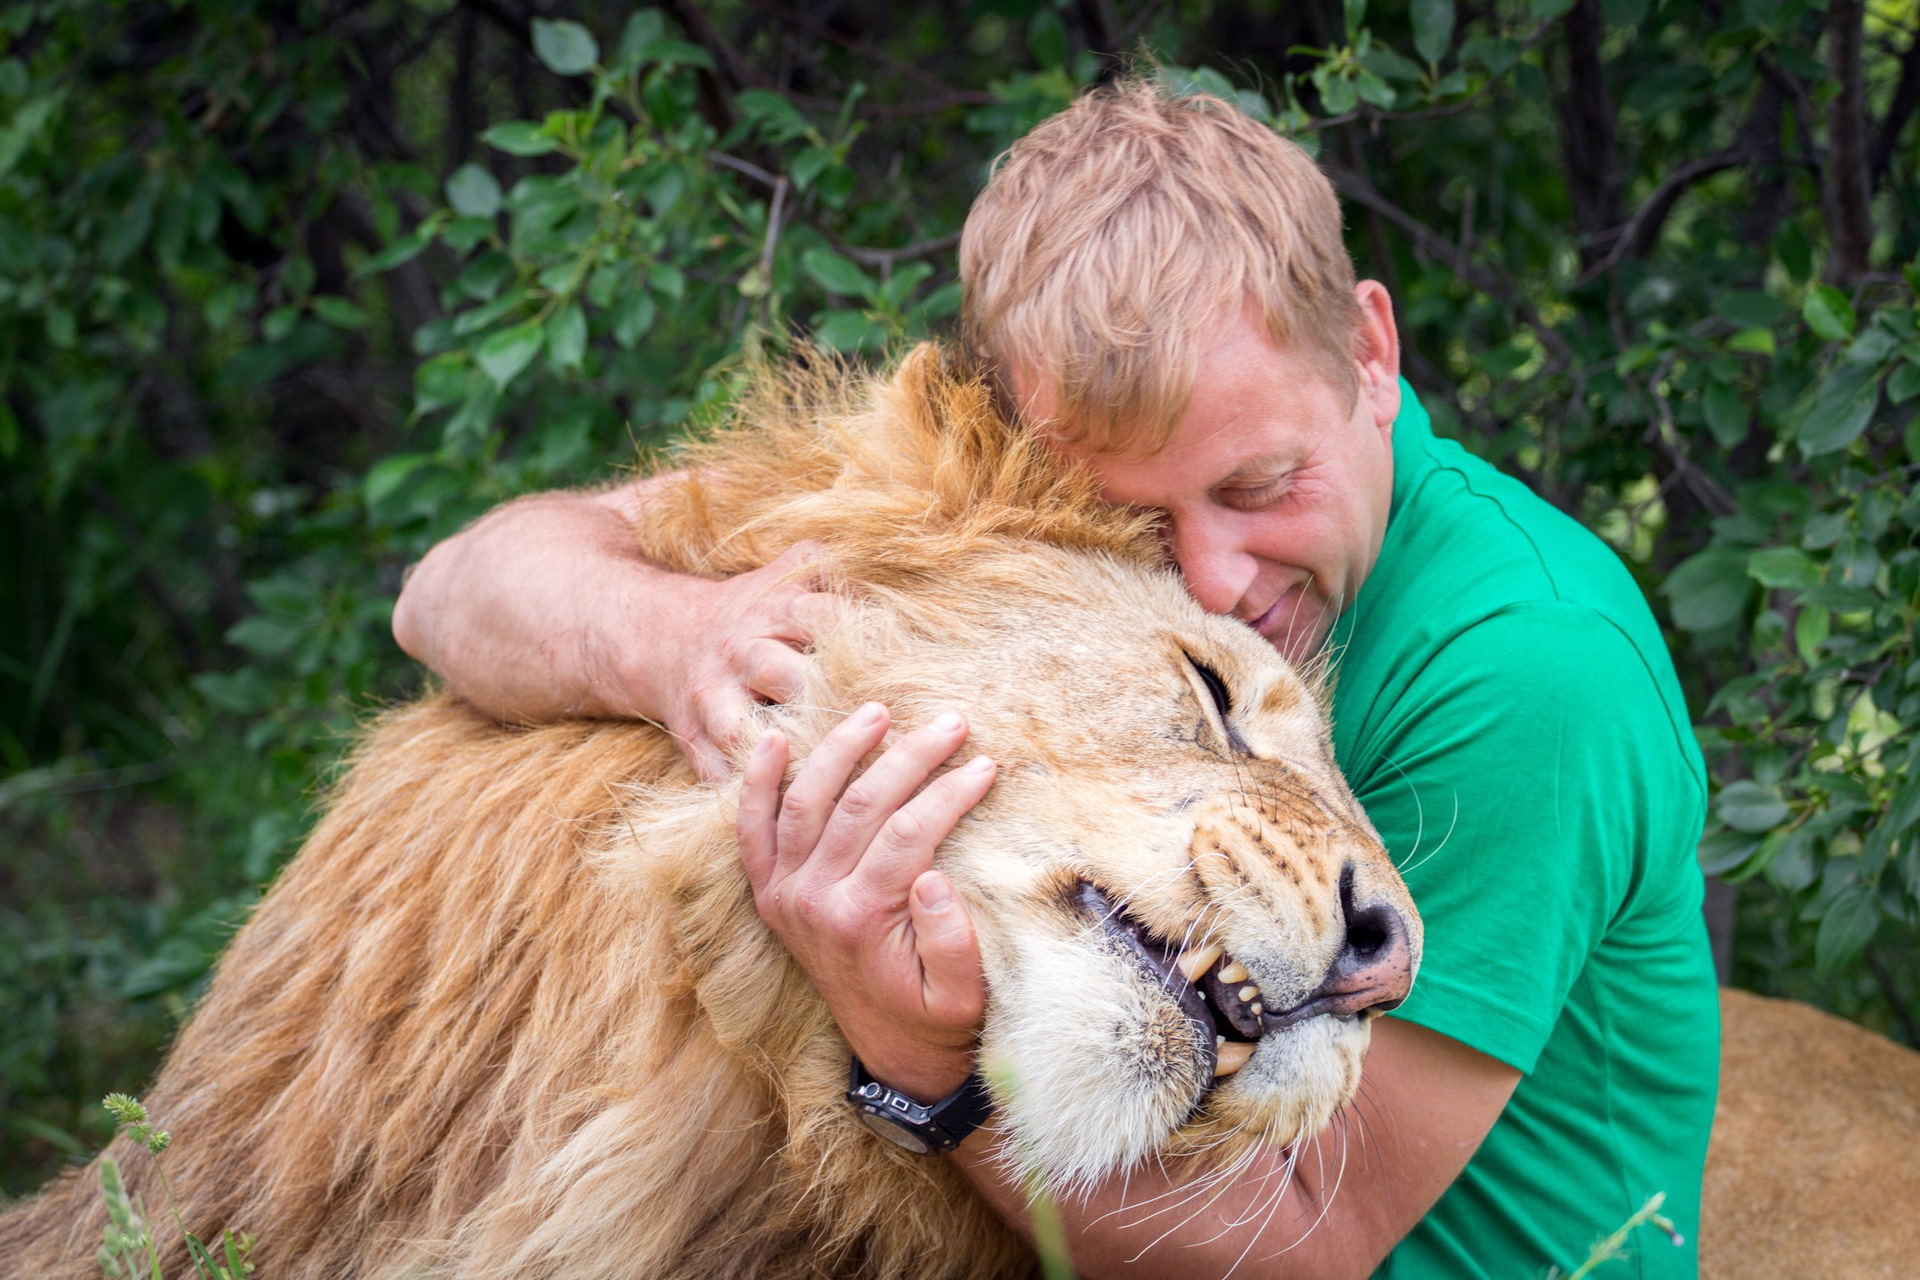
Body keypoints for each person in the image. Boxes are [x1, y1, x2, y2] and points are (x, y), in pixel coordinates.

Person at [392, 80, 1718, 1278]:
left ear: (1371, 356)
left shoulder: (1529, 670)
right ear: (1019, 438)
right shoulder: (1011, 512)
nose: (1209, 578)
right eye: (1130, 519)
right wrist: (675, 641)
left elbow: (1310, 1241)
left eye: (1261, 486)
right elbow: (451, 589)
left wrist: (924, 1072)